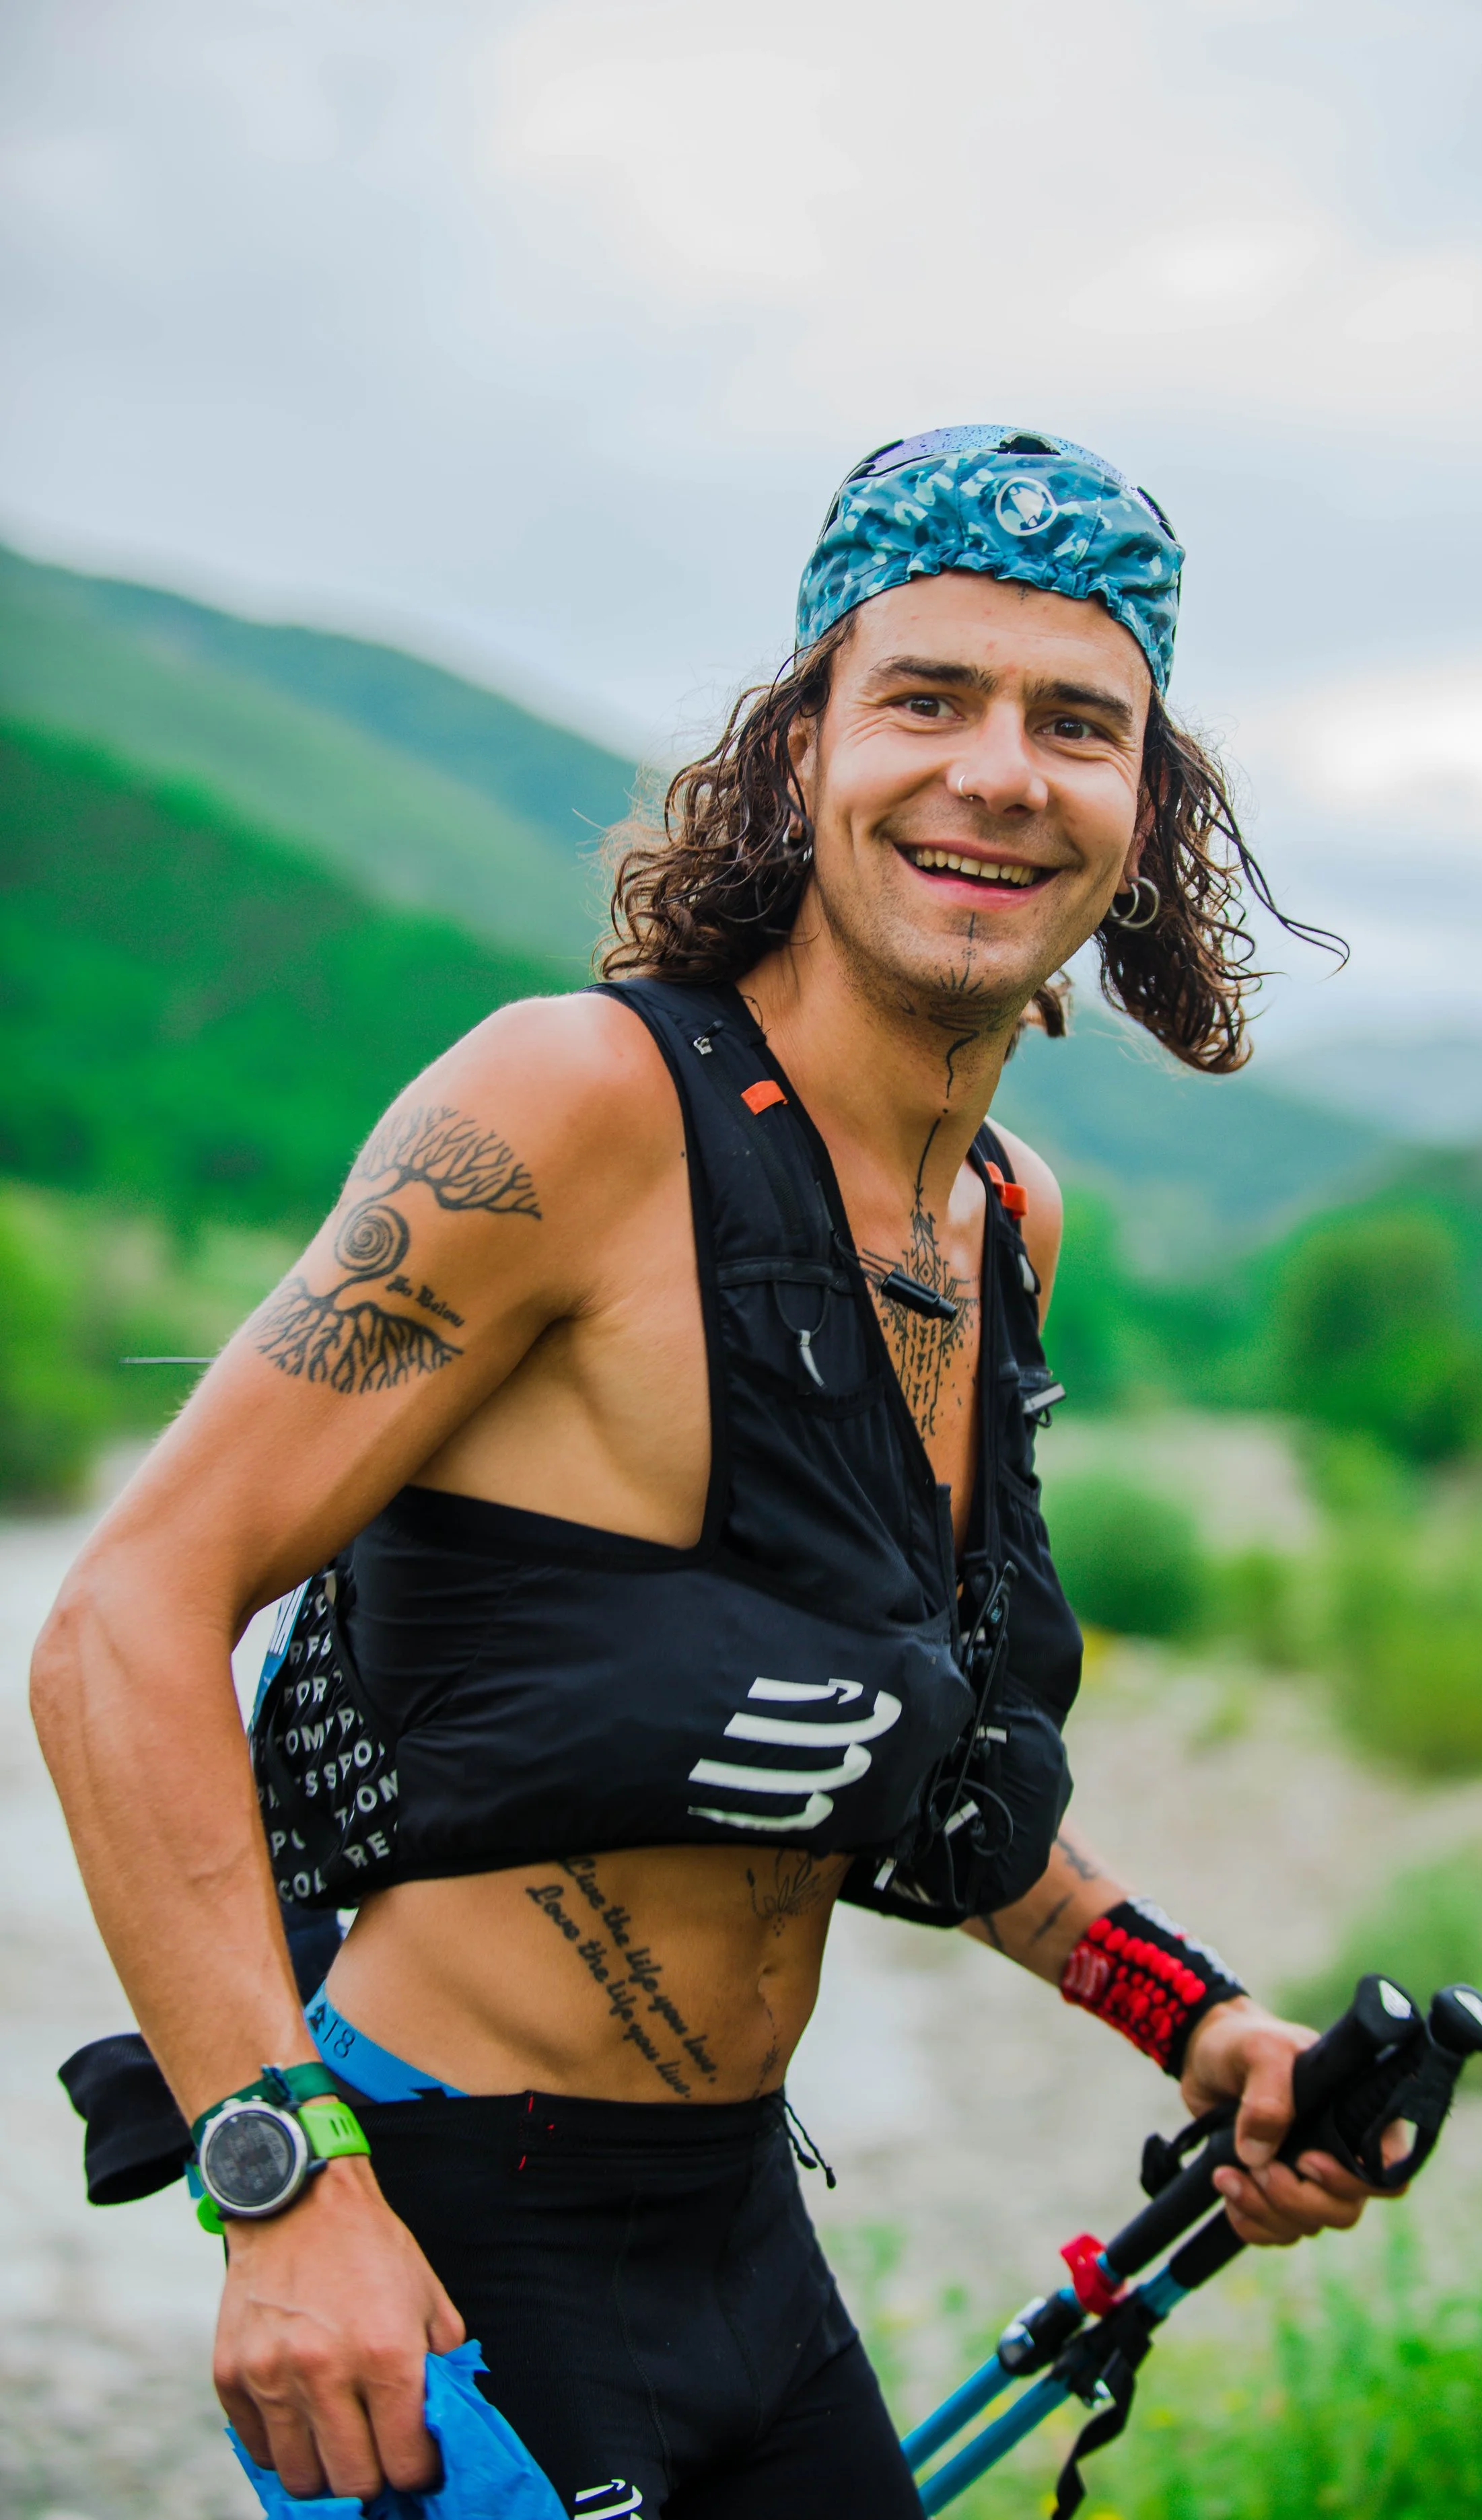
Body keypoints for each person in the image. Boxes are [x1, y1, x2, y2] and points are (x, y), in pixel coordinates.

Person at [32, 425, 1391, 2518]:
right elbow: (123, 1615)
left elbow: (904, 1764)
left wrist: (1199, 2023)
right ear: (800, 749)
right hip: (442, 2239)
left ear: (1146, 807)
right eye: (923, 699)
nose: (998, 772)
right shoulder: (577, 1109)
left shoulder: (1000, 1223)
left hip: (739, 2236)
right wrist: (281, 2183)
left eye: (1076, 723)